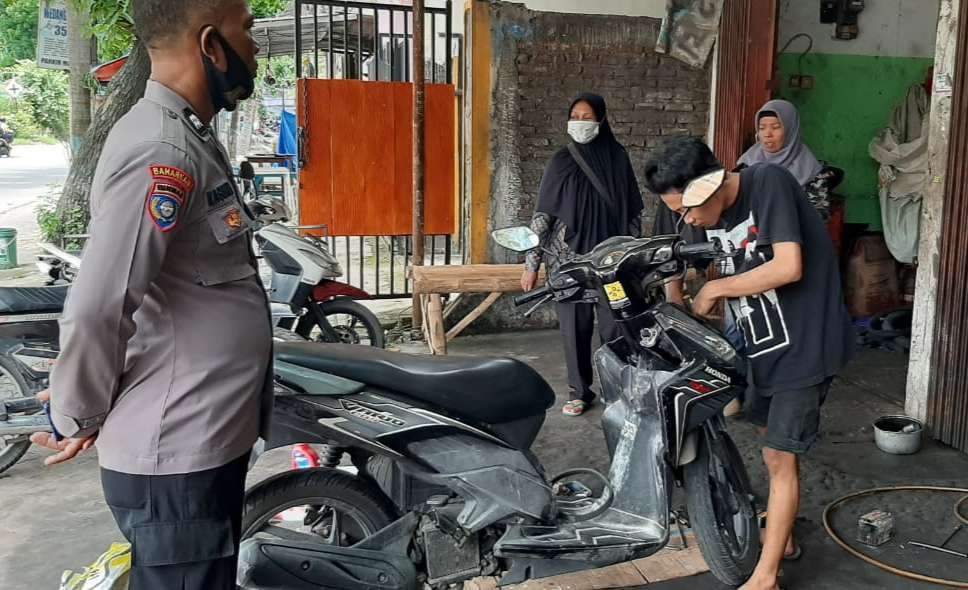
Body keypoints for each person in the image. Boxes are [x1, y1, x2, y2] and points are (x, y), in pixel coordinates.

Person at [30, 1, 269, 588]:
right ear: (212, 45)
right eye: (249, 30)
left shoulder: (186, 134)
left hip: (199, 436)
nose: (256, 46)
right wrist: (76, 412)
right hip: (177, 450)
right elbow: (99, 305)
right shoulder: (164, 150)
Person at [643, 136, 852, 590]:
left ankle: (767, 576)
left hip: (805, 344)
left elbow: (788, 266)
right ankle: (786, 539)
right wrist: (675, 299)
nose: (689, 220)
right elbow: (678, 259)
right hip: (760, 344)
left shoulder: (768, 183)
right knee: (767, 440)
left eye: (688, 209)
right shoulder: (705, 210)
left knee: (780, 457)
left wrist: (717, 290)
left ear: (711, 186)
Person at [520, 93, 644, 416]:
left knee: (614, 327)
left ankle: (615, 390)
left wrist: (632, 257)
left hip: (610, 265)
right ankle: (579, 392)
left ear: (601, 120)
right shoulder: (560, 161)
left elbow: (632, 214)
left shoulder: (618, 159)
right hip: (567, 263)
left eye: (587, 116)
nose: (579, 121)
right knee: (574, 330)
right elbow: (542, 217)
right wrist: (531, 265)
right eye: (575, 114)